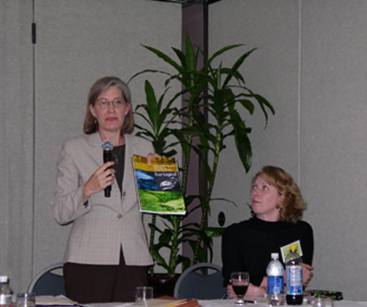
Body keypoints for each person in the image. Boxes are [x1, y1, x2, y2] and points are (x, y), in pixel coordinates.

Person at [53, 76, 154, 303]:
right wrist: (87, 189)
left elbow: (159, 202)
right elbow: (60, 212)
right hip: (87, 260)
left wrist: (160, 178)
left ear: (127, 109)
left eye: (117, 102)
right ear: (93, 110)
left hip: (133, 259)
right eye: (103, 102)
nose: (111, 109)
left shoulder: (144, 148)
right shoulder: (74, 148)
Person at [222, 165, 314, 299]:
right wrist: (280, 280)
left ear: (283, 197)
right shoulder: (235, 233)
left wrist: (259, 290)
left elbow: (297, 281)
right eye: (254, 187)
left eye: (264, 188)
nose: (255, 193)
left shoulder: (299, 231)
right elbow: (234, 281)